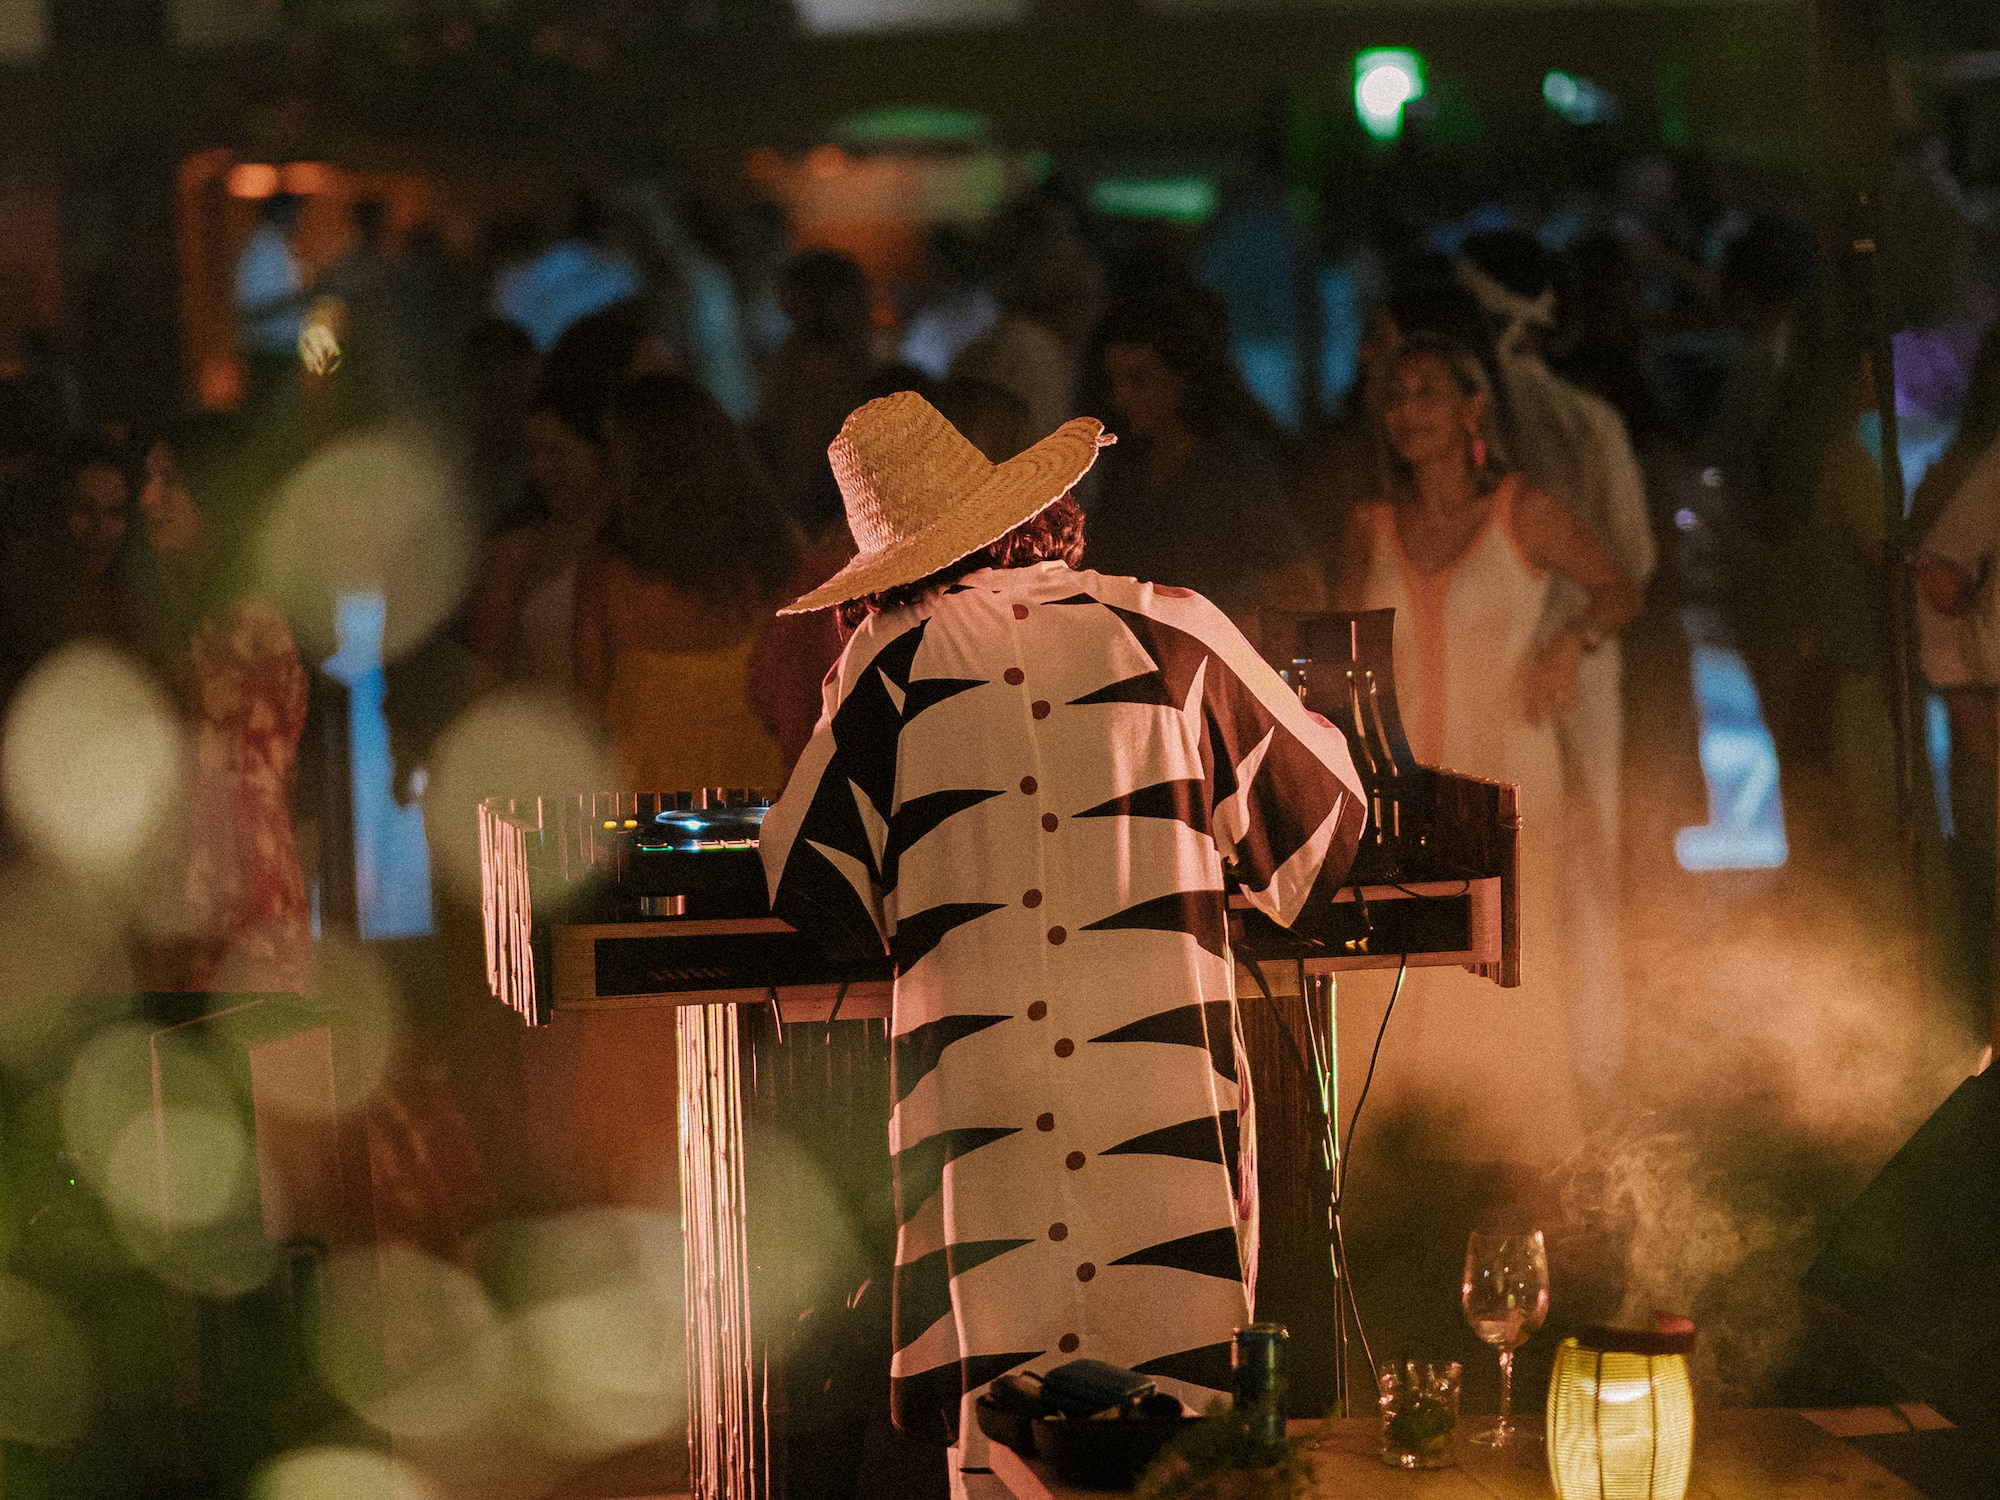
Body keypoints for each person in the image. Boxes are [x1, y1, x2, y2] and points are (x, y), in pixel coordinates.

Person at [760, 391, 1366, 1492]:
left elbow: (804, 882)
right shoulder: (1169, 626)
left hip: (986, 1165)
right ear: (1021, 513)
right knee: (1186, 1461)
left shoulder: (883, 672)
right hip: (1161, 1150)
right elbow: (1325, 830)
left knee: (1003, 1464)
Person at [1336, 336, 1639, 1162]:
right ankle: (1403, 1167)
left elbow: (1621, 585)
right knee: (1398, 974)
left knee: (1500, 971)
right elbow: (1342, 654)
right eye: (1395, 397)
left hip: (1505, 774)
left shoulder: (1522, 511)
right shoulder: (1370, 526)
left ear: (1474, 406)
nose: (1406, 413)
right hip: (1394, 784)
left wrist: (1569, 641)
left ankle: (1514, 1165)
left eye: (1428, 392)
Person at [1457, 231, 1656, 1094]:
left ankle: (1592, 1062)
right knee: (1541, 865)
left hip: (1577, 661)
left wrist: (1570, 636)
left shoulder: (1577, 421)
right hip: (1519, 664)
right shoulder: (1533, 421)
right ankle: (1547, 1060)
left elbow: (1629, 567)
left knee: (1574, 862)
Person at [574, 373, 798, 790]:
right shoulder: (776, 558)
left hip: (649, 827)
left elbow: (586, 724)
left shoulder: (607, 577)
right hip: (759, 820)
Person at [1078, 285, 1328, 638]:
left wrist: (1216, 643)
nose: (1121, 397)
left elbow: (1299, 589)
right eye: (1115, 381)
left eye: (1139, 380)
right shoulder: (1127, 466)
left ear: (1180, 377)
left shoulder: (1232, 467)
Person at [465, 377, 612, 687]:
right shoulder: (514, 551)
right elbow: (488, 677)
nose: (540, 469)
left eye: (556, 452)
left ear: (600, 452)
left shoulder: (636, 543)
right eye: (533, 453)